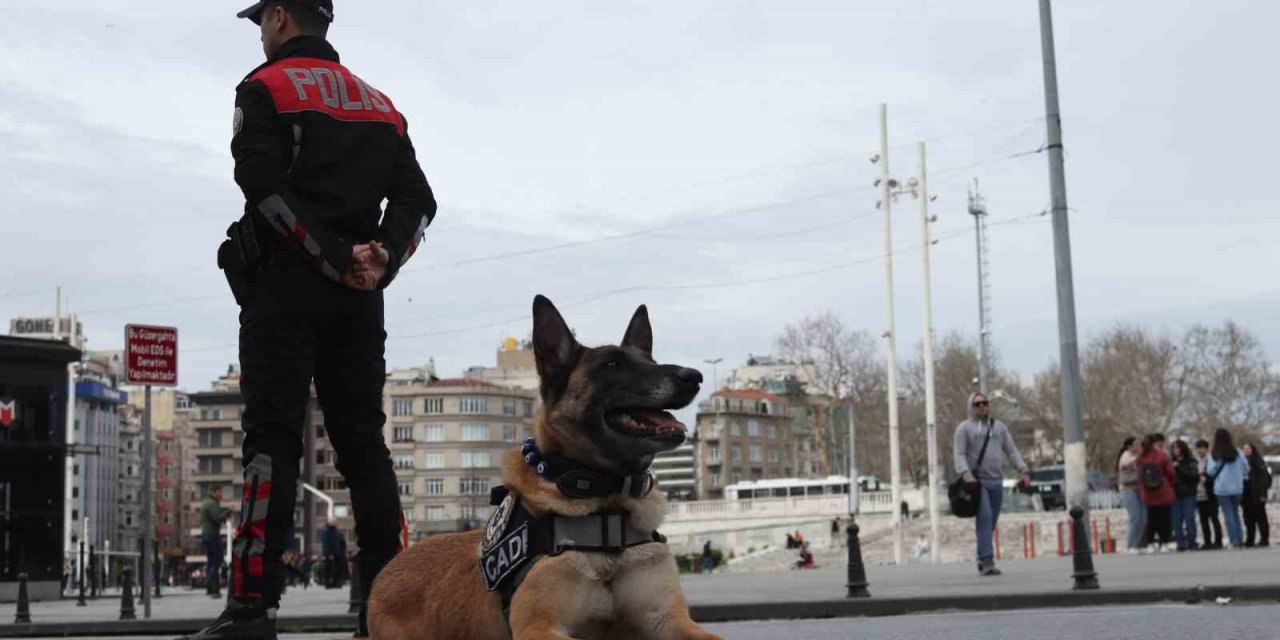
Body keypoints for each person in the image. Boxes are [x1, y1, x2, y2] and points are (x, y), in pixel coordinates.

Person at [186, 1, 436, 638]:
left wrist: (328, 258)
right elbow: (420, 201)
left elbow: (261, 187)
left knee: (270, 442)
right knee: (363, 445)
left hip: (284, 292)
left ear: (276, 18)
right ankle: (387, 608)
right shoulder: (383, 105)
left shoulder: (263, 86)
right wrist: (381, 258)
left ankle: (251, 605)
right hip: (360, 298)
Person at [954, 392, 1030, 576]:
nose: (981, 407)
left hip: (996, 481)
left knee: (991, 521)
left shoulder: (999, 428)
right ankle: (987, 560)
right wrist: (965, 473)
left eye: (984, 403)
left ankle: (982, 556)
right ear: (971, 407)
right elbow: (959, 453)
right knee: (985, 517)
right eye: (977, 404)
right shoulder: (964, 429)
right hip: (977, 483)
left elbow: (1011, 450)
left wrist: (1023, 470)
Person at [1206, 429, 1249, 549]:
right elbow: (1246, 468)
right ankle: (1240, 539)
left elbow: (1210, 471)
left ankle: (1233, 540)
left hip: (1222, 488)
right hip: (1237, 487)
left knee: (1228, 514)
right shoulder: (1238, 453)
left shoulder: (1214, 454)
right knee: (1236, 513)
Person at [1136, 434, 1176, 551]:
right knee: (1165, 517)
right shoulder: (1161, 456)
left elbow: (1139, 475)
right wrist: (1171, 484)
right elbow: (1171, 472)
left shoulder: (1140, 458)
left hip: (1148, 492)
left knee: (1151, 518)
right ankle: (1165, 542)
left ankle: (1150, 543)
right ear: (1155, 443)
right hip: (1163, 490)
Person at [199, 486, 232, 598]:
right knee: (218, 559)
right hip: (212, 534)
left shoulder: (206, 503)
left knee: (211, 562)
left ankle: (212, 589)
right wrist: (228, 511)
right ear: (213, 492)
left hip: (206, 534)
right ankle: (209, 582)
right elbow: (217, 518)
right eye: (219, 492)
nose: (221, 495)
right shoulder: (212, 504)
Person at [1116, 437, 1147, 552]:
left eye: (1140, 444)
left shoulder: (1139, 456)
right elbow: (1131, 463)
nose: (1139, 447)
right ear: (1129, 447)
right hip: (1128, 490)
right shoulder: (1126, 456)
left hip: (1140, 489)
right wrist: (1141, 455)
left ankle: (1139, 544)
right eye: (1136, 444)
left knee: (1144, 518)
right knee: (1135, 518)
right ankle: (1131, 545)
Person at [1170, 440, 1200, 551]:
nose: (1175, 450)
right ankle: (1180, 543)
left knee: (1189, 518)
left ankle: (1191, 541)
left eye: (1177, 448)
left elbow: (1193, 476)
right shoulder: (1170, 462)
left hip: (1188, 494)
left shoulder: (1191, 461)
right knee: (1176, 520)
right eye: (1173, 448)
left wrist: (1179, 468)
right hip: (1175, 495)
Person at [1194, 439, 1223, 550]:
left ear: (1207, 448)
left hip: (1211, 493)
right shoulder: (1196, 461)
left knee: (1214, 517)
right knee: (1203, 519)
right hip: (1199, 494)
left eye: (1201, 448)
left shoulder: (1211, 460)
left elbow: (1215, 475)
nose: (1199, 450)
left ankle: (1218, 540)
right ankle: (1207, 541)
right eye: (1198, 448)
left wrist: (1207, 479)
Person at [1242, 443, 1272, 547]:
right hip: (1246, 495)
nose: (1246, 451)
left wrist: (1263, 493)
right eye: (1244, 449)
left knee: (1261, 518)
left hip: (1257, 494)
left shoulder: (1258, 461)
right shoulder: (1242, 462)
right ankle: (1250, 539)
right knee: (1248, 519)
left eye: (1248, 448)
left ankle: (1264, 539)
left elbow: (1264, 479)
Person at [321, 520, 344, 588]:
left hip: (336, 553)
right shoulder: (326, 531)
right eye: (334, 523)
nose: (336, 524)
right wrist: (329, 553)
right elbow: (326, 543)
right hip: (330, 554)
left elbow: (337, 542)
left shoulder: (334, 531)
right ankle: (328, 584)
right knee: (328, 569)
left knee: (337, 568)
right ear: (330, 523)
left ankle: (334, 583)